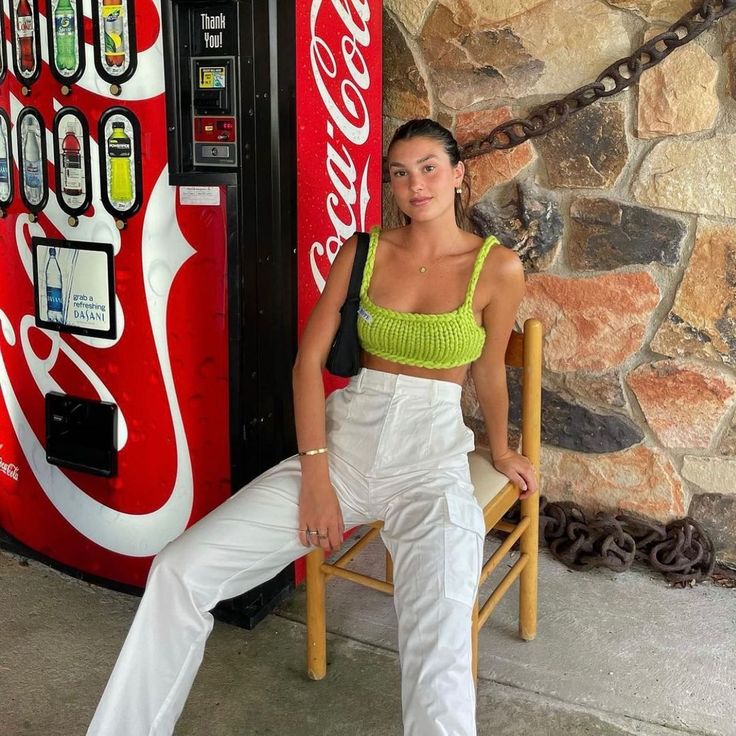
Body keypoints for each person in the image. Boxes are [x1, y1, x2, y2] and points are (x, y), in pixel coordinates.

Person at [87, 118, 538, 736]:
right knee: (180, 570)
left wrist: (504, 449)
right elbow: (306, 365)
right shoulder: (364, 251)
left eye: (430, 166)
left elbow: (488, 371)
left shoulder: (498, 268)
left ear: (459, 175)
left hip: (431, 463)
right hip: (342, 446)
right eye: (400, 172)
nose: (416, 184)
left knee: (440, 636)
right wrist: (317, 480)